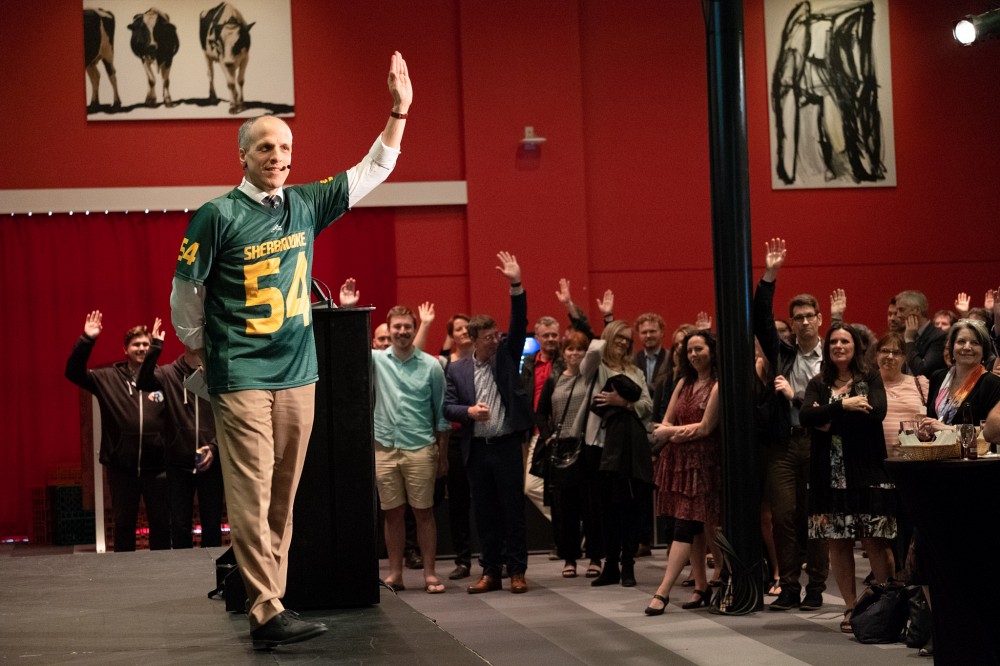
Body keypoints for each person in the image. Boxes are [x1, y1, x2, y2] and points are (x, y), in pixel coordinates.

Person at [169, 52, 412, 649]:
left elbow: (371, 169)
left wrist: (399, 111)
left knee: (283, 493)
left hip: (299, 370)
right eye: (266, 149)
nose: (278, 158)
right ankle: (266, 605)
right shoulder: (215, 215)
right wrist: (204, 352)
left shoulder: (305, 204)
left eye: (285, 149)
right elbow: (185, 296)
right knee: (250, 493)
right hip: (242, 373)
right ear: (243, 156)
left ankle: (269, 605)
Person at [445, 251, 534, 594]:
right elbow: (447, 408)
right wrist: (468, 412)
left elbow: (519, 321)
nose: (496, 339)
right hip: (477, 450)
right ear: (473, 338)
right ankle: (490, 571)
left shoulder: (507, 357)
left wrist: (516, 284)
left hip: (507, 446)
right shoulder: (457, 369)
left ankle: (517, 571)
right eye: (489, 337)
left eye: (498, 335)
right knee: (484, 514)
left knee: (513, 511)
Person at [800, 323, 895, 633]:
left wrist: (828, 419)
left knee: (874, 541)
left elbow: (876, 415)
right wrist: (845, 405)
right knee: (838, 543)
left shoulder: (870, 378)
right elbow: (805, 418)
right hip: (828, 475)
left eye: (845, 341)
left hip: (865, 471)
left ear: (855, 346)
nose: (838, 346)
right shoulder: (819, 382)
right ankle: (851, 607)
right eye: (833, 342)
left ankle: (883, 605)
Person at [752, 238, 829, 612]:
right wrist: (770, 273)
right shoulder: (782, 352)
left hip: (819, 442)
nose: (802, 322)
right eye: (796, 317)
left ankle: (816, 586)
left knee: (814, 517)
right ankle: (789, 586)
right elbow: (760, 318)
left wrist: (794, 397)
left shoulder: (833, 357)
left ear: (819, 320)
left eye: (808, 316)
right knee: (782, 517)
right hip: (784, 443)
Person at [65, 311, 171, 552]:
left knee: (162, 525)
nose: (142, 348)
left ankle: (165, 573)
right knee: (123, 525)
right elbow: (72, 372)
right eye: (136, 344)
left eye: (146, 344)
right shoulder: (108, 377)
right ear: (125, 349)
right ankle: (122, 578)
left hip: (158, 468)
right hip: (122, 468)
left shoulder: (163, 377)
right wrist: (87, 339)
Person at [372, 306, 450, 594]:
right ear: (388, 330)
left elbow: (441, 416)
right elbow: (347, 346)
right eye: (397, 327)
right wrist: (350, 308)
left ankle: (430, 573)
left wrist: (442, 457)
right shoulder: (376, 360)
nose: (402, 332)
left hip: (420, 448)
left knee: (424, 513)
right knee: (392, 514)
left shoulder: (431, 366)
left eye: (407, 326)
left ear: (414, 328)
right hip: (385, 448)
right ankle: (395, 573)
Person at [644, 330, 721, 615]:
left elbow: (705, 428)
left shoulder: (717, 385)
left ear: (711, 351)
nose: (693, 355)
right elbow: (664, 420)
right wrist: (674, 432)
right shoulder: (683, 383)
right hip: (678, 461)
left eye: (699, 349)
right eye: (689, 350)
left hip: (704, 462)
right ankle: (701, 586)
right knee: (694, 526)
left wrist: (671, 432)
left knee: (686, 526)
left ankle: (662, 592)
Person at [575, 320, 653, 589]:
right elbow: (592, 354)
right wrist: (606, 321)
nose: (623, 342)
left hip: (629, 449)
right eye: (618, 337)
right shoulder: (596, 368)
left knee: (629, 508)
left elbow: (647, 404)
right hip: (598, 446)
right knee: (604, 509)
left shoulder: (635, 371)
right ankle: (609, 566)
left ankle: (628, 564)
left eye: (627, 339)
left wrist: (624, 403)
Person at [137, 318, 225, 548]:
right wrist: (155, 347)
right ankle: (184, 576)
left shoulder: (216, 375)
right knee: (180, 525)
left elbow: (226, 418)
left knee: (212, 523)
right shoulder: (169, 374)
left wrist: (214, 448)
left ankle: (213, 574)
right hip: (178, 463)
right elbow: (143, 382)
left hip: (212, 461)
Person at [534, 331, 598, 579]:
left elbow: (598, 345)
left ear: (586, 353)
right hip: (561, 450)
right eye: (569, 349)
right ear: (564, 353)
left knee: (591, 507)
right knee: (564, 510)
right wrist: (549, 436)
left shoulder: (591, 377)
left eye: (579, 350)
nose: (574, 354)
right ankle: (569, 559)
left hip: (586, 448)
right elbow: (540, 413)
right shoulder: (554, 380)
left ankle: (594, 558)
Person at [892, 290, 947, 379]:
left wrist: (909, 340)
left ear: (917, 310)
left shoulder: (939, 337)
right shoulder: (903, 335)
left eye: (901, 310)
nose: (898, 315)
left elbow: (922, 371)